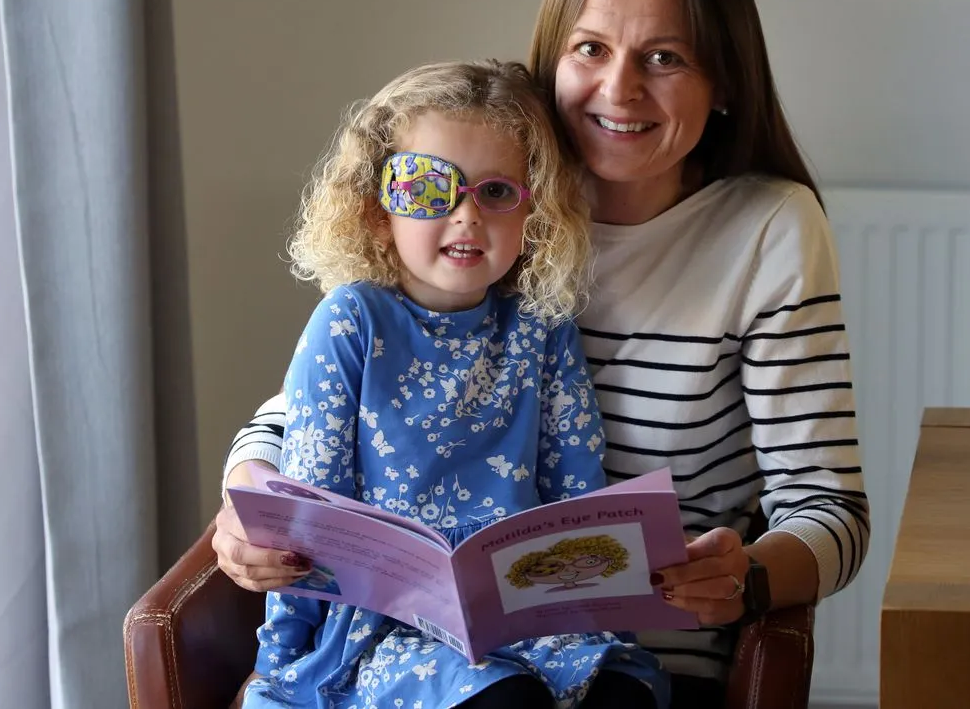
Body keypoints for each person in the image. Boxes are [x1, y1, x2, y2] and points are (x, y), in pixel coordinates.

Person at [217, 0, 871, 705]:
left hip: (643, 654)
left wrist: (751, 576)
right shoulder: (492, 202)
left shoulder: (767, 228)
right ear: (552, 57)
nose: (619, 88)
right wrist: (248, 493)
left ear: (725, 81)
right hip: (422, 646)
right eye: (590, 48)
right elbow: (324, 401)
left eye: (664, 58)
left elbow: (829, 505)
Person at [239, 59, 667, 709]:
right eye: (427, 188)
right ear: (378, 209)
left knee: (623, 689)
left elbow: (577, 495)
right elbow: (311, 513)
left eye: (496, 192)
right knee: (502, 699)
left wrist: (607, 620)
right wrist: (283, 664)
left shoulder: (542, 328)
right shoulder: (350, 322)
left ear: (534, 214)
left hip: (527, 614)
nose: (466, 216)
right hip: (385, 630)